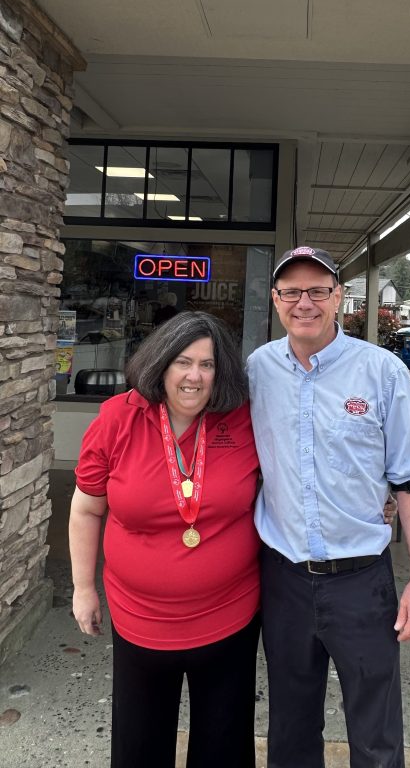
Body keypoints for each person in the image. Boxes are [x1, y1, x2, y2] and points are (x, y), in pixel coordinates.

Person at [247, 246, 410, 768]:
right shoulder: (257, 371)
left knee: (376, 734)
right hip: (282, 578)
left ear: (337, 298)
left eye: (317, 291)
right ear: (276, 299)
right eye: (291, 292)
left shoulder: (383, 372)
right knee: (290, 725)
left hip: (361, 582)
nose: (303, 303)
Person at [69, 311, 260, 768]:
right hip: (141, 621)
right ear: (161, 364)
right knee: (139, 745)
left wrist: (377, 495)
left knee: (224, 746)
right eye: (182, 361)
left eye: (207, 364)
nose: (194, 376)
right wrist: (82, 589)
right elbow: (87, 507)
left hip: (229, 617)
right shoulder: (118, 418)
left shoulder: (242, 420)